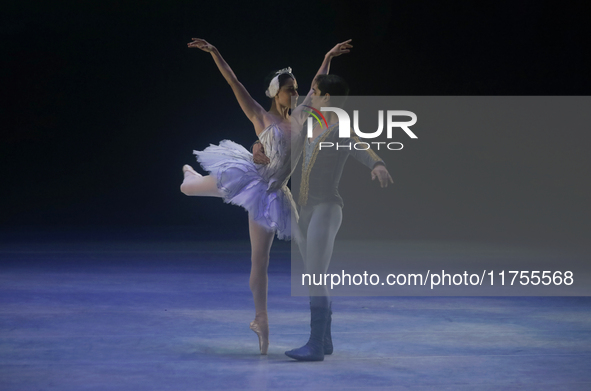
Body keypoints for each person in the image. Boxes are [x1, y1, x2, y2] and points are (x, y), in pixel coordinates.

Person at [180, 38, 353, 355]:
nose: (296, 93)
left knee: (262, 260)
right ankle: (190, 177)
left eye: (297, 88)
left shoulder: (300, 117)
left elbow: (317, 86)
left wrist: (328, 56)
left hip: (275, 193)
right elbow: (234, 82)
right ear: (275, 93)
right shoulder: (260, 116)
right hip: (251, 179)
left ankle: (262, 319)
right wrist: (216, 52)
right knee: (190, 187)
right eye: (289, 89)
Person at [256, 74, 393, 361]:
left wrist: (378, 163)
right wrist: (259, 148)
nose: (309, 95)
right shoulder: (310, 123)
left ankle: (316, 344)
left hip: (327, 208)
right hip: (304, 209)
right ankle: (325, 340)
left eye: (314, 91)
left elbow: (359, 144)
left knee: (315, 274)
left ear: (326, 98)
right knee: (313, 275)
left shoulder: (339, 128)